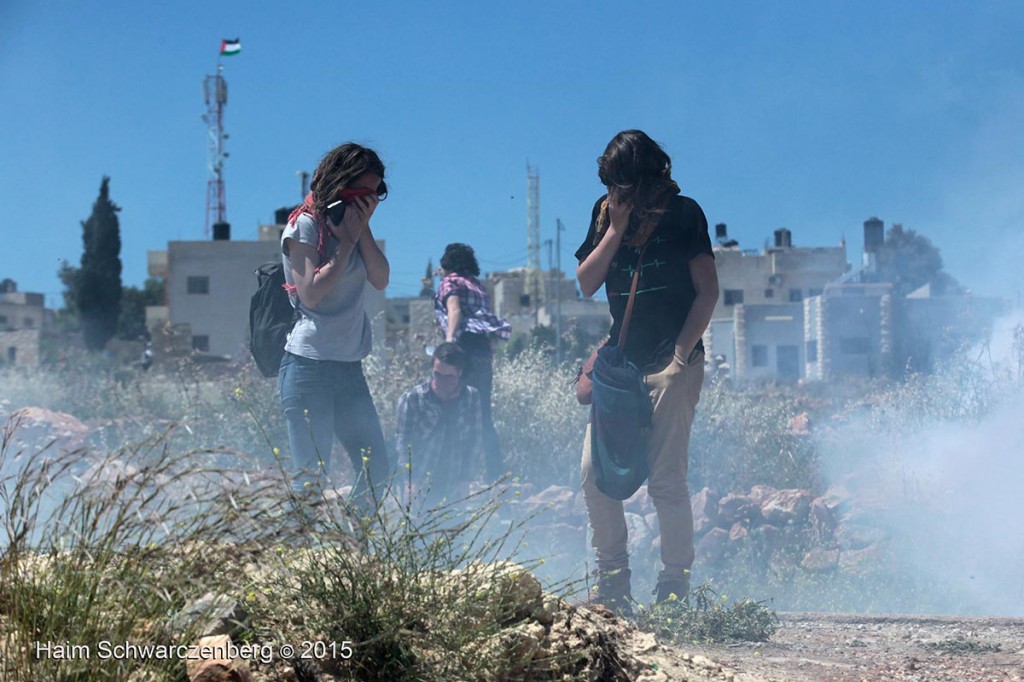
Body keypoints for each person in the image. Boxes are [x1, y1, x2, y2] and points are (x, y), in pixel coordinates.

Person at [574, 130, 719, 611]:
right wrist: (614, 230)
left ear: (647, 175)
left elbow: (707, 292)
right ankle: (613, 581)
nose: (620, 193)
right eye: (612, 184)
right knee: (594, 474)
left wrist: (680, 359)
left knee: (665, 481)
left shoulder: (683, 214)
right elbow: (587, 283)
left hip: (670, 365)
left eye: (625, 183)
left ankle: (674, 584)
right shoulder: (604, 213)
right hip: (623, 367)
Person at [277, 142, 393, 509]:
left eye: (375, 195)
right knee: (310, 479)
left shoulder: (356, 229)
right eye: (361, 193)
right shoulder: (305, 225)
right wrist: (343, 246)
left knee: (377, 470)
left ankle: (354, 549)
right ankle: (299, 557)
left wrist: (360, 231)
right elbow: (310, 292)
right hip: (308, 367)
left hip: (348, 369)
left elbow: (380, 278)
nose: (368, 202)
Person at [434, 243, 510, 481]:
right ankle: (495, 475)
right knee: (483, 416)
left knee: (449, 409)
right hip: (483, 355)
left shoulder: (451, 282)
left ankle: (448, 476)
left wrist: (448, 344)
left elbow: (454, 311)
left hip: (462, 351)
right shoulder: (477, 286)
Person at [395, 342, 485, 504]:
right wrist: (409, 482)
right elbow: (403, 443)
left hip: (454, 483)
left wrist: (465, 479)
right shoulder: (413, 399)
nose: (441, 381)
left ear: (459, 373)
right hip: (420, 484)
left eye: (448, 377)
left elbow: (475, 440)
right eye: (437, 375)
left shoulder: (471, 398)